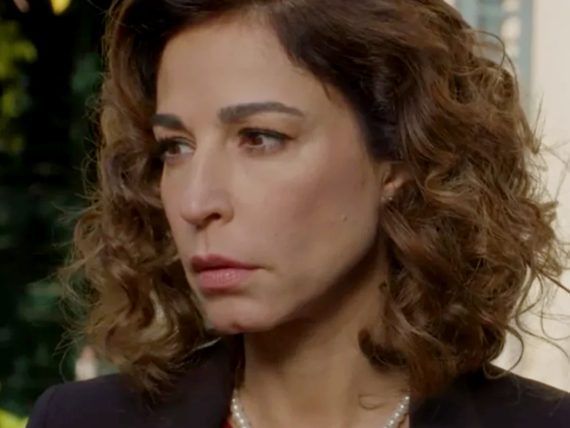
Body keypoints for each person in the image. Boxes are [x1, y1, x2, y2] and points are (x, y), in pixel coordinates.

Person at [26, 0, 570, 427]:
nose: (196, 203)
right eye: (175, 147)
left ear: (399, 158)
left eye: (260, 138)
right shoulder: (80, 421)